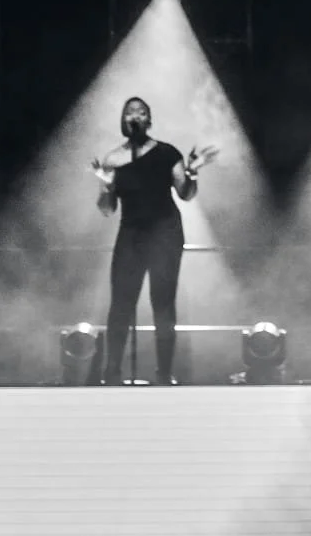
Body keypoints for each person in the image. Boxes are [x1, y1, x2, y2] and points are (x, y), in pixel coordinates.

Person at [88, 97, 216, 385]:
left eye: (141, 112)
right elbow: (107, 210)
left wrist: (192, 171)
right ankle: (112, 372)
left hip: (165, 233)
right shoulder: (112, 159)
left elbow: (185, 193)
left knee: (163, 302)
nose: (135, 115)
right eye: (129, 112)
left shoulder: (167, 153)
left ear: (149, 120)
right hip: (131, 234)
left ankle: (164, 373)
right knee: (121, 302)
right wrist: (106, 186)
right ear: (123, 121)